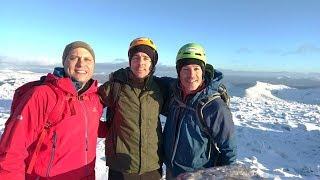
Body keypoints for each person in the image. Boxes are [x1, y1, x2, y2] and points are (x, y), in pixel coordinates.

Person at [0, 41, 103, 179]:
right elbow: (11, 151)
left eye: (87, 59)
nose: (81, 64)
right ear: (64, 62)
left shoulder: (93, 98)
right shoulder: (43, 95)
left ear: (93, 65)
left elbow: (91, 126)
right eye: (73, 58)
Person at [163, 43, 237, 179]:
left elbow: (229, 149)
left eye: (196, 69)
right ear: (178, 72)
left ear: (203, 71)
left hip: (198, 175)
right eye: (185, 69)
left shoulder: (215, 107)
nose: (191, 75)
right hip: (172, 171)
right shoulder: (174, 96)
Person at [98, 37, 164, 180]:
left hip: (152, 166)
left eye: (146, 58)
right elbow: (87, 104)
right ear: (130, 61)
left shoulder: (160, 88)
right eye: (136, 58)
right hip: (121, 168)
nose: (141, 63)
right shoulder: (115, 86)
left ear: (152, 63)